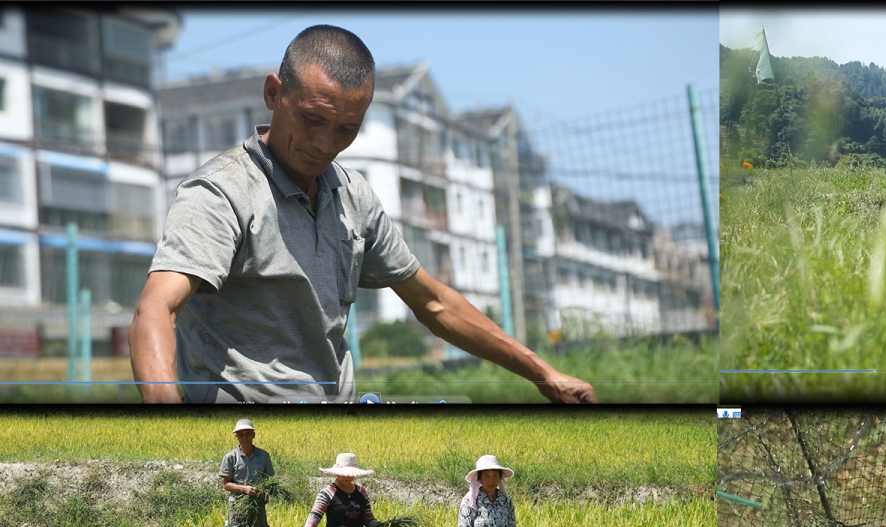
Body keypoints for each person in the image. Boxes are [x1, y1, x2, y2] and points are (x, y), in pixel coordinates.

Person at [129, 25, 596, 406]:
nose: (325, 143)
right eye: (313, 119)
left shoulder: (353, 196)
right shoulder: (221, 191)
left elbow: (433, 303)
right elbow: (156, 308)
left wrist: (544, 374)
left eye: (346, 129)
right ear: (274, 93)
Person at [220, 418, 275, 527]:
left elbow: (270, 482)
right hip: (237, 505)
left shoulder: (263, 456)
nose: (244, 437)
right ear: (236, 437)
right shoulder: (230, 457)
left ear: (253, 435)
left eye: (247, 433)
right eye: (241, 434)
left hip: (257, 506)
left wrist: (263, 493)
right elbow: (227, 485)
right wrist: (244, 489)